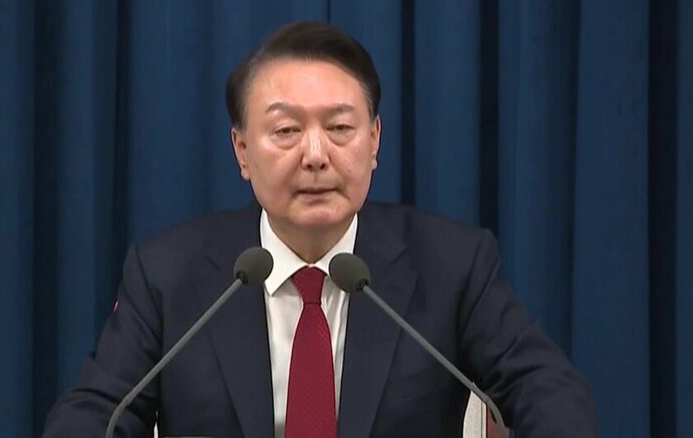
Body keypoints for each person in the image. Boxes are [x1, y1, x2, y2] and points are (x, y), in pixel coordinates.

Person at [44, 21, 597, 437]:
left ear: (374, 141)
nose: (315, 155)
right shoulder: (167, 274)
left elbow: (546, 389)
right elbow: (95, 413)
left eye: (339, 128)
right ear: (242, 150)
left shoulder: (452, 264)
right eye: (286, 130)